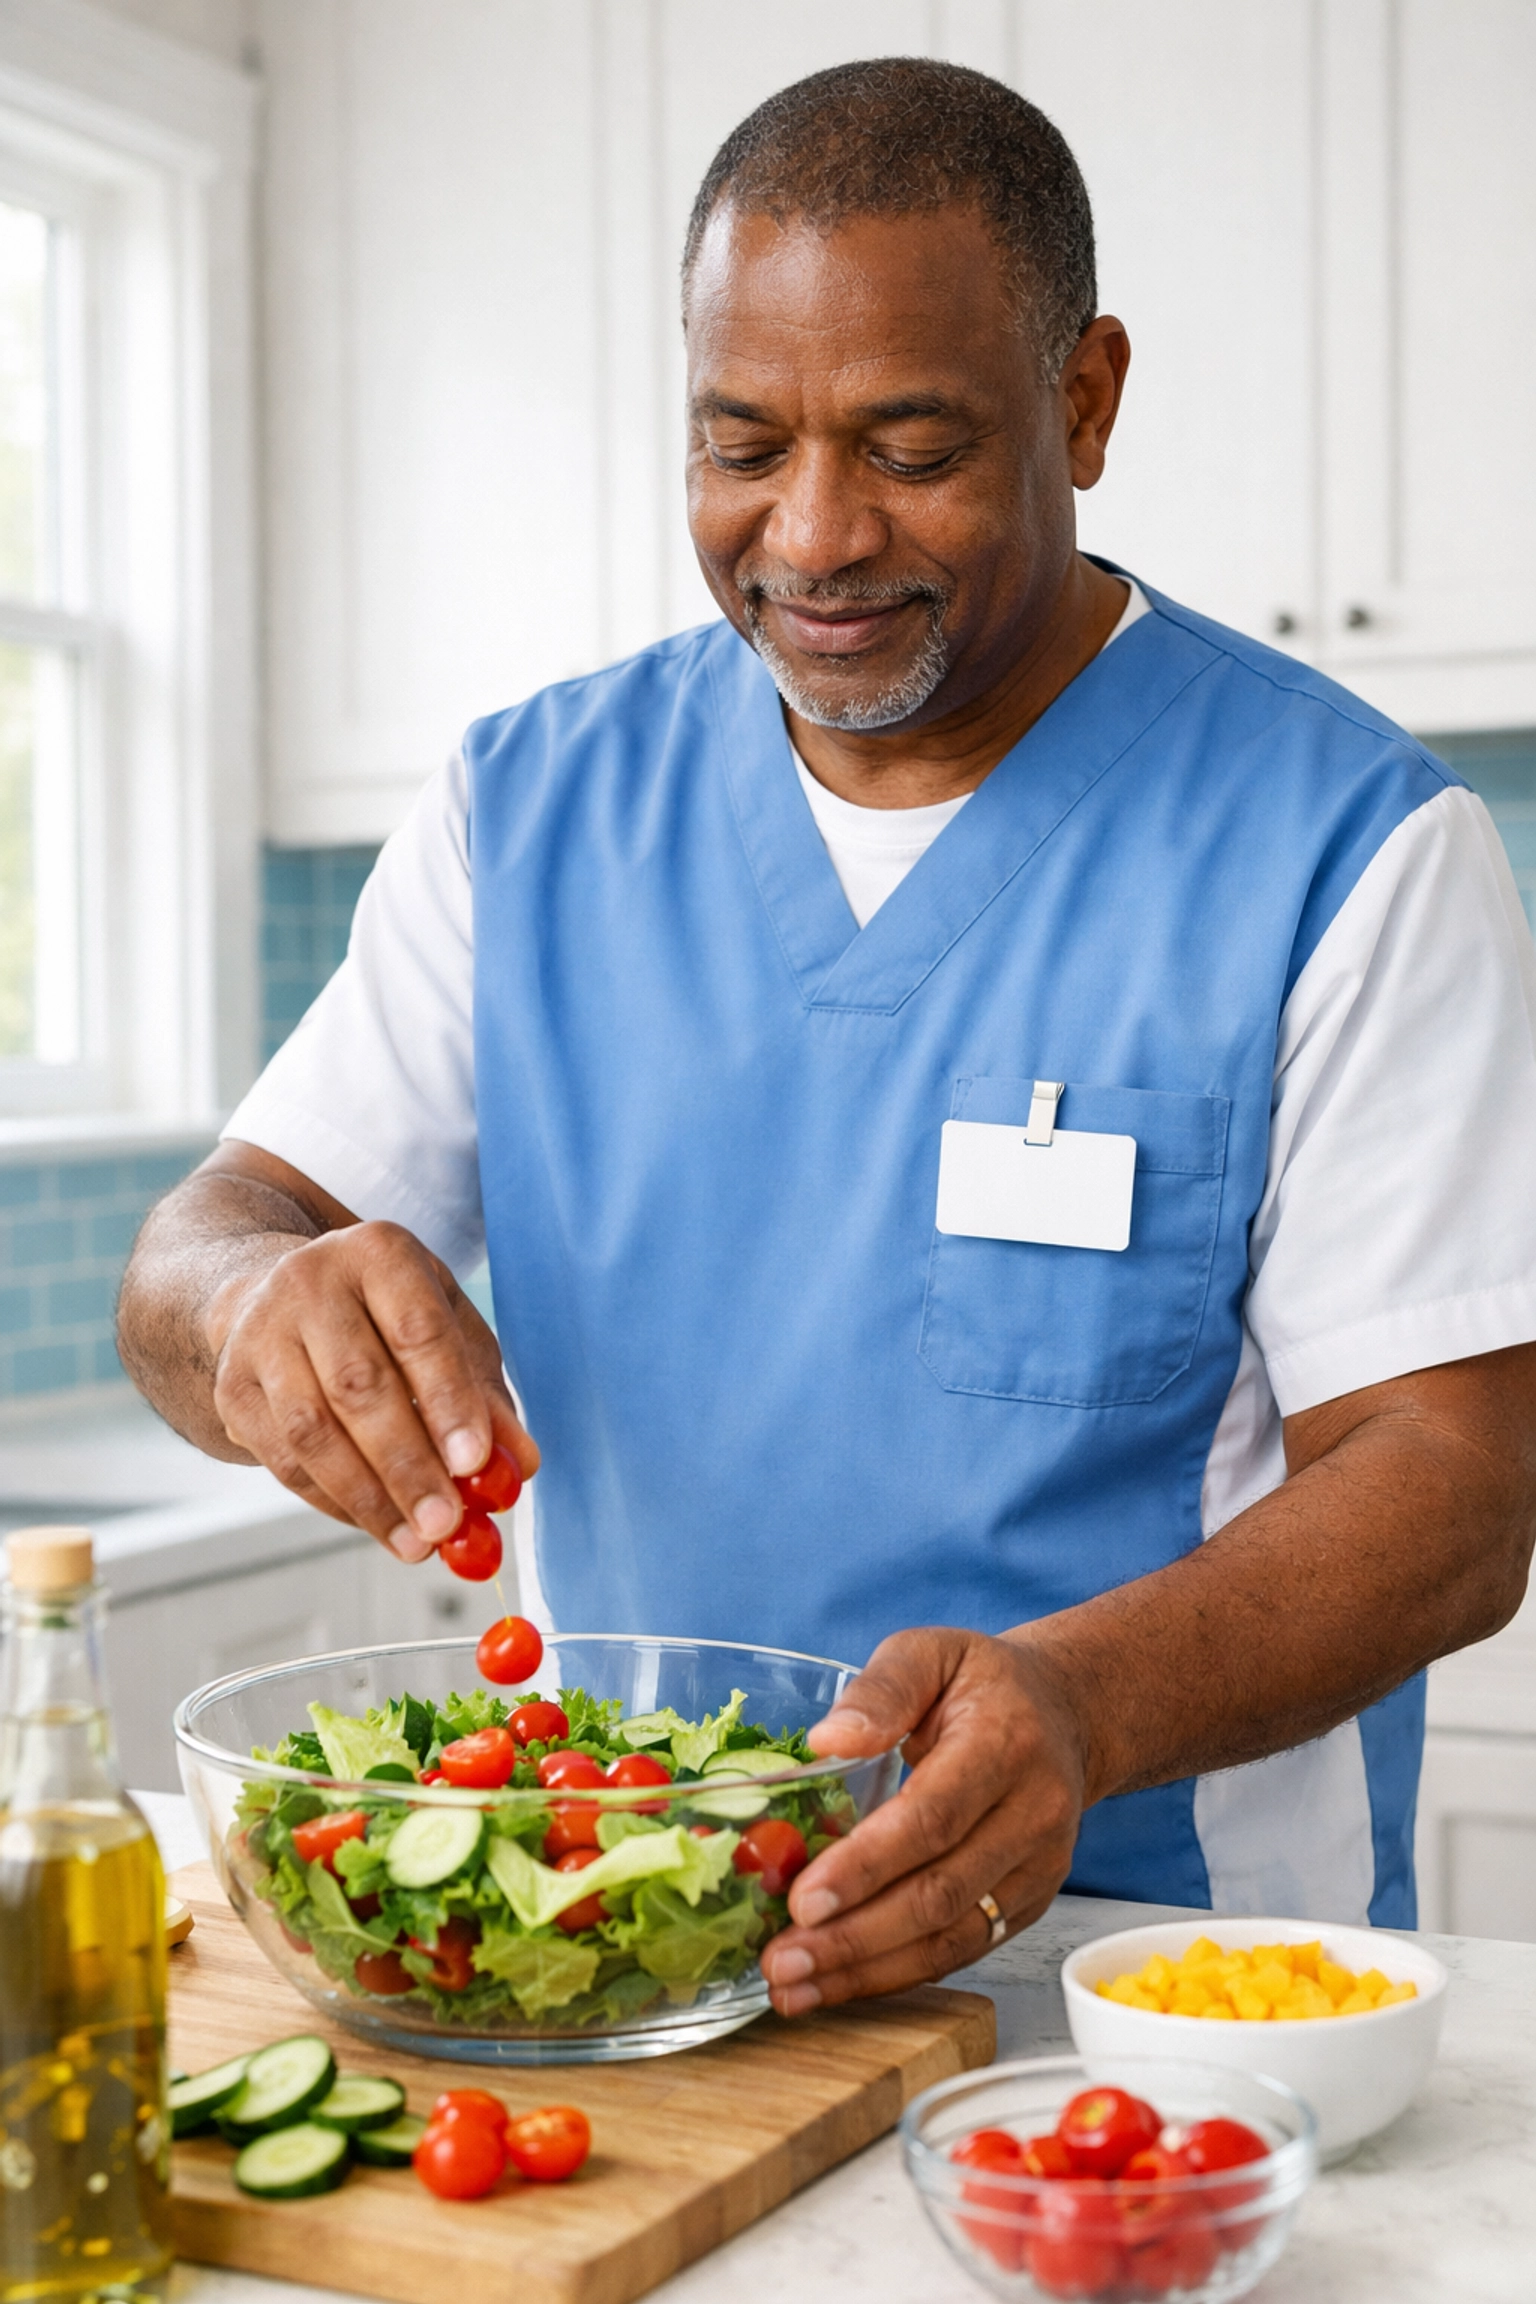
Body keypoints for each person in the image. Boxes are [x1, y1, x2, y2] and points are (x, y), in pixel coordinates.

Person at [121, 59, 1536, 2018]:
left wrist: (1076, 1707)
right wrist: (258, 1306)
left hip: (1149, 1984)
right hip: (627, 1943)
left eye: (910, 445)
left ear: (1086, 401)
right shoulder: (527, 810)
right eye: (739, 441)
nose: (812, 533)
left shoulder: (1352, 848)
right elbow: (206, 1239)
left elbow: (1454, 1487)